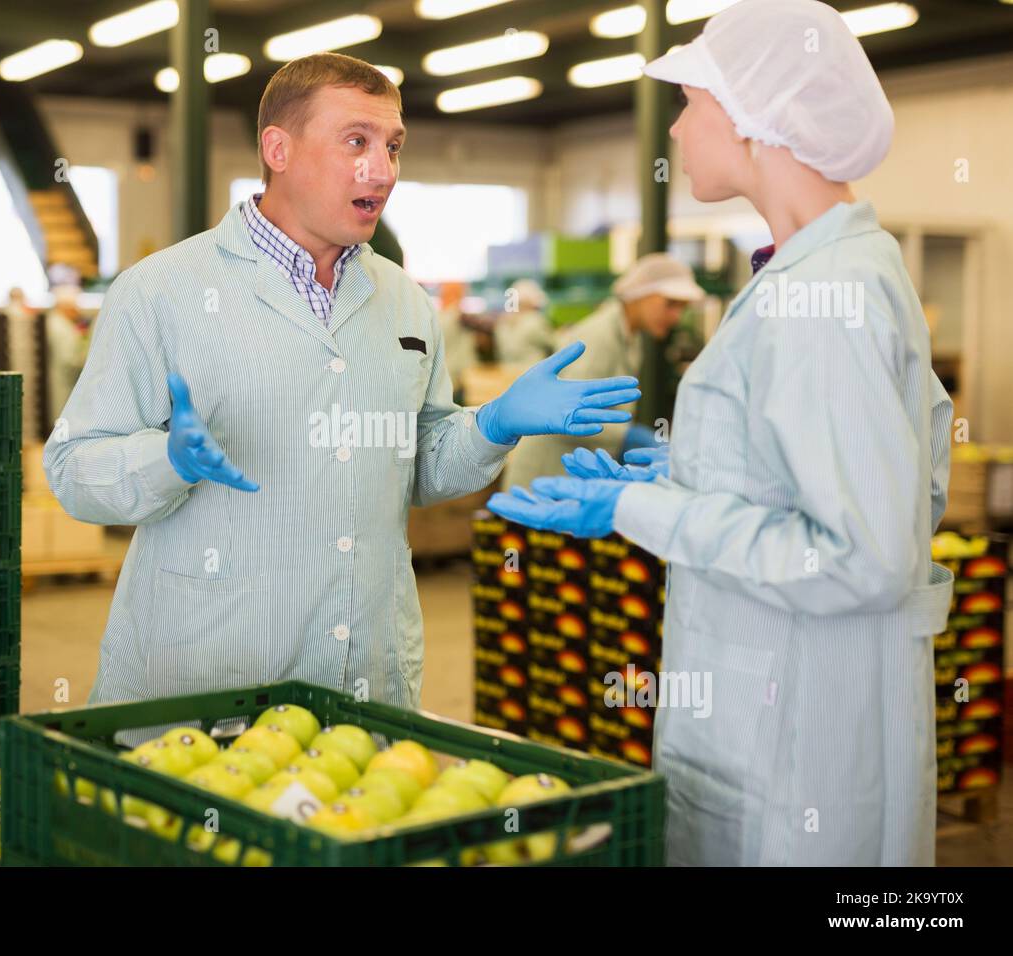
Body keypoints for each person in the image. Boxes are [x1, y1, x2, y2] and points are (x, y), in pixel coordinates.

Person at [489, 0, 954, 867]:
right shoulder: (824, 274)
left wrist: (648, 509)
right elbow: (892, 482)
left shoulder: (830, 300)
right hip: (784, 705)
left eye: (694, 99)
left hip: (798, 748)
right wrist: (701, 471)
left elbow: (863, 554)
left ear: (755, 121)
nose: (676, 124)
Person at [44, 53, 639, 723]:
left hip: (366, 680)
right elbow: (71, 466)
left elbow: (421, 468)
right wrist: (167, 460)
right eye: (356, 141)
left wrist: (491, 425)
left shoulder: (405, 302)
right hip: (208, 684)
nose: (381, 170)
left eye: (392, 146)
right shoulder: (162, 292)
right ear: (278, 148)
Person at [501, 253, 704, 488]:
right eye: (670, 304)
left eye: (682, 308)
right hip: (543, 476)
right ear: (639, 294)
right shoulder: (599, 337)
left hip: (571, 473)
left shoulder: (631, 336)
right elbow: (567, 412)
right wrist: (627, 436)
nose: (676, 316)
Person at [44, 284, 89, 428]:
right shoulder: (61, 327)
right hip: (63, 382)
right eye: (74, 306)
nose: (78, 310)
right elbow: (70, 360)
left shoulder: (56, 323)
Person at [492, 278, 553, 366]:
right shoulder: (534, 320)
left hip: (507, 373)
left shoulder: (502, 322)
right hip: (533, 372)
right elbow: (552, 344)